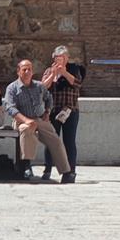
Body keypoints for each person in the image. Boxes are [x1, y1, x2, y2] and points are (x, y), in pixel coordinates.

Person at [4, 59, 74, 183]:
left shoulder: (39, 86)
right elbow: (10, 108)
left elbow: (49, 99)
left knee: (55, 140)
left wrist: (47, 112)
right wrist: (26, 120)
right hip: (21, 120)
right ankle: (26, 166)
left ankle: (66, 172)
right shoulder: (12, 88)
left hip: (39, 119)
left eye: (29, 69)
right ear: (18, 71)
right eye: (24, 69)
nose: (27, 72)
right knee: (27, 130)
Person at [40, 45, 85, 180]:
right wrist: (54, 74)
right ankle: (47, 169)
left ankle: (70, 171)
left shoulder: (74, 69)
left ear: (67, 58)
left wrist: (64, 72)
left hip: (70, 110)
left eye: (63, 57)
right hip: (52, 110)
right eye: (57, 58)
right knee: (51, 141)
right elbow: (42, 88)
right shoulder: (49, 70)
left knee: (69, 141)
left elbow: (78, 84)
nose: (59, 60)